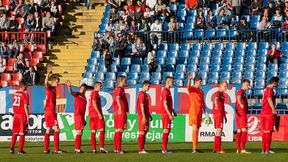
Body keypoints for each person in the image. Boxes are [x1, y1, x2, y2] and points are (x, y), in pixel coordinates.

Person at [187, 74, 209, 153]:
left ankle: (195, 147)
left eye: (201, 82)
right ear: (196, 82)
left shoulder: (201, 91)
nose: (201, 83)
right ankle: (194, 148)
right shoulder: (192, 89)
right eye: (200, 82)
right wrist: (189, 80)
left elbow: (202, 103)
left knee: (197, 129)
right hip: (194, 110)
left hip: (199, 111)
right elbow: (188, 87)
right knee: (195, 128)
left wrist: (206, 112)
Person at [44, 64, 62, 154]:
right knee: (57, 129)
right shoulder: (49, 88)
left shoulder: (53, 89)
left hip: (48, 111)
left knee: (48, 129)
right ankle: (57, 149)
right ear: (52, 82)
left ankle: (46, 149)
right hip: (50, 111)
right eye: (56, 82)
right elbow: (46, 82)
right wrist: (47, 73)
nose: (57, 84)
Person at [66, 80, 87, 153]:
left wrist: (84, 119)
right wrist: (69, 87)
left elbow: (83, 109)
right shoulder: (77, 94)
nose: (83, 89)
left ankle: (77, 148)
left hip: (81, 115)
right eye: (82, 88)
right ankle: (77, 148)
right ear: (79, 88)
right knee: (79, 132)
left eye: (84, 88)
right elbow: (71, 93)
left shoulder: (84, 97)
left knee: (81, 131)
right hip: (78, 115)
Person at [10, 81, 29, 154]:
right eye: (26, 86)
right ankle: (20, 150)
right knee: (22, 133)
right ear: (23, 86)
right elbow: (25, 106)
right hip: (22, 114)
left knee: (15, 132)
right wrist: (28, 116)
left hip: (15, 115)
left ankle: (11, 148)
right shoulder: (24, 94)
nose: (26, 87)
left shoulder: (14, 94)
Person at [89, 81, 108, 154]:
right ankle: (101, 148)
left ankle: (94, 149)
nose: (101, 87)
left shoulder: (93, 93)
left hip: (92, 115)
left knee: (93, 131)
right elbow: (94, 103)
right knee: (102, 130)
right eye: (100, 86)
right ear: (96, 86)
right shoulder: (95, 93)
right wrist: (99, 113)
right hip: (96, 114)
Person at [261, 77, 279, 154]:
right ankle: (267, 150)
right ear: (274, 83)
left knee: (265, 132)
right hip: (268, 113)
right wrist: (273, 109)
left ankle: (263, 149)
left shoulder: (265, 89)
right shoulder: (270, 90)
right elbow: (269, 99)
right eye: (277, 83)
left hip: (263, 113)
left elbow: (262, 100)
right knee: (268, 132)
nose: (277, 84)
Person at [161, 76, 177, 154]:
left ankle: (165, 149)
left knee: (167, 131)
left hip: (168, 113)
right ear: (167, 82)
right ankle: (164, 149)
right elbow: (165, 104)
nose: (173, 83)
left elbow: (169, 104)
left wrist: (173, 111)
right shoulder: (165, 91)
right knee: (166, 130)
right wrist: (169, 114)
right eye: (172, 82)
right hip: (165, 114)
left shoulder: (168, 91)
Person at [113, 76, 128, 154]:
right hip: (120, 111)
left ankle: (116, 148)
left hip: (118, 111)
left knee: (117, 130)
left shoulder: (119, 89)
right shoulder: (119, 89)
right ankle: (119, 149)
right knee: (120, 130)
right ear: (121, 81)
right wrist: (119, 107)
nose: (126, 81)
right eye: (125, 80)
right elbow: (118, 98)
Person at [235, 79, 251, 154]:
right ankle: (243, 149)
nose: (248, 86)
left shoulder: (243, 92)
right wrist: (240, 103)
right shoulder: (240, 91)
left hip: (238, 112)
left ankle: (238, 149)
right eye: (247, 85)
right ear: (243, 84)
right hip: (241, 112)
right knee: (244, 130)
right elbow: (238, 97)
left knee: (239, 131)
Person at [212, 80, 228, 154]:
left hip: (220, 114)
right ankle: (218, 149)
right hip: (218, 113)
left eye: (226, 86)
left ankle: (215, 149)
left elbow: (222, 105)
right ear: (220, 86)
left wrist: (224, 115)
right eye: (225, 86)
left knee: (219, 130)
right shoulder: (218, 93)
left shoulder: (222, 94)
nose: (226, 88)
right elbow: (215, 99)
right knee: (219, 130)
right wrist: (216, 105)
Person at [137, 80, 152, 154]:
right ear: (144, 85)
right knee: (142, 132)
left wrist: (149, 115)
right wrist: (143, 116)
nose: (149, 88)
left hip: (145, 115)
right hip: (142, 115)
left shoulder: (145, 94)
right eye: (148, 86)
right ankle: (140, 150)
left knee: (145, 132)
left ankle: (142, 148)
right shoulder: (141, 94)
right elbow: (141, 105)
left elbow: (146, 107)